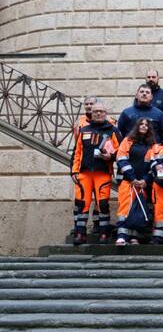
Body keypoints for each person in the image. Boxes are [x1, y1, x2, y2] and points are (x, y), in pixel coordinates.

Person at [70, 102, 121, 245]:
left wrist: (110, 157)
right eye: (96, 111)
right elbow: (77, 152)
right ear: (91, 113)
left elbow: (120, 152)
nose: (98, 113)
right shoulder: (84, 130)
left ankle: (103, 234)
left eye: (101, 111)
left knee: (102, 203)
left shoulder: (112, 130)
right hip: (84, 173)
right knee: (82, 203)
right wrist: (74, 170)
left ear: (106, 114)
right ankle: (80, 233)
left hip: (103, 173)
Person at [115, 118, 156, 246]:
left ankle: (134, 237)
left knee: (138, 210)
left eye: (146, 125)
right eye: (141, 124)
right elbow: (121, 160)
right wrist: (132, 178)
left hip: (142, 184)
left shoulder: (153, 146)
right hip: (128, 182)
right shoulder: (127, 141)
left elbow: (153, 165)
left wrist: (145, 180)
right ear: (137, 126)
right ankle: (122, 236)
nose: (144, 126)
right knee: (125, 208)